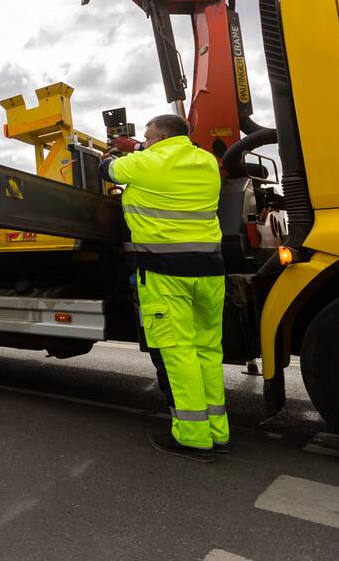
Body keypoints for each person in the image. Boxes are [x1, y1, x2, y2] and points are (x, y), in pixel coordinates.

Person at [101, 114, 228, 463]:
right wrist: (139, 147)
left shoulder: (144, 163)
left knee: (177, 351)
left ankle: (192, 437)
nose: (145, 140)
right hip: (210, 272)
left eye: (147, 135)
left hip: (165, 272)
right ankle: (218, 431)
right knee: (207, 351)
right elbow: (162, 155)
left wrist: (116, 151)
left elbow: (107, 169)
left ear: (159, 137)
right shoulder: (205, 162)